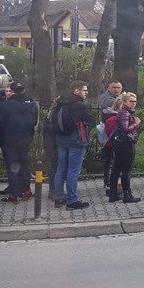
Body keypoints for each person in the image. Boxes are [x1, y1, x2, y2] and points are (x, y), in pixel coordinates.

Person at [53, 81, 98, 210]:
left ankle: (58, 197)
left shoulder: (59, 102)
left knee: (60, 169)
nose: (86, 93)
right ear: (76, 91)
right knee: (73, 171)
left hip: (61, 140)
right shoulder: (79, 105)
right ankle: (72, 201)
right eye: (84, 90)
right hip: (76, 140)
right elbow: (92, 121)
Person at [0, 81, 39, 204]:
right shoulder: (32, 103)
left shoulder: (6, 105)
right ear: (23, 90)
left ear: (12, 91)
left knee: (13, 167)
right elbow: (34, 121)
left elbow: (0, 123)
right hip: (26, 139)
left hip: (10, 140)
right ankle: (26, 190)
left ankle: (14, 195)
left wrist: (1, 138)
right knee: (25, 164)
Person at [109, 92, 141, 203]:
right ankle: (127, 195)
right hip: (126, 144)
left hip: (121, 143)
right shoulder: (125, 113)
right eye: (130, 101)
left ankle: (113, 194)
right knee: (125, 170)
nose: (133, 103)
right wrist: (136, 123)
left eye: (135, 101)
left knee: (116, 169)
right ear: (125, 102)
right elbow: (126, 129)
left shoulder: (124, 112)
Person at [101, 97, 120, 189]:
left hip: (112, 143)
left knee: (110, 163)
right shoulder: (113, 118)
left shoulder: (111, 116)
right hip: (112, 144)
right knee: (110, 163)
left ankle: (109, 182)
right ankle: (109, 183)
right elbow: (111, 133)